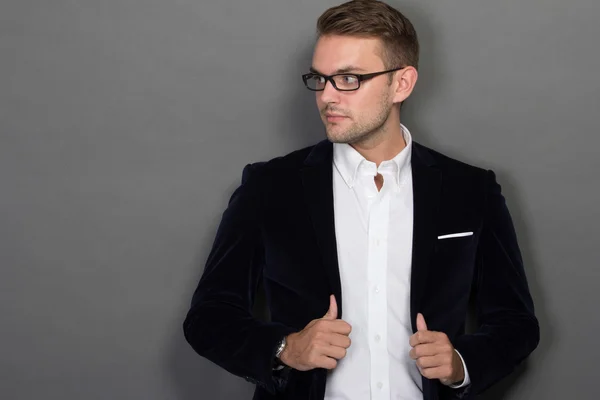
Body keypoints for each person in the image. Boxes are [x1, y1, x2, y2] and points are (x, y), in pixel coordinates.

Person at [183, 1, 539, 399]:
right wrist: (285, 348)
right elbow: (208, 317)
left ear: (401, 83)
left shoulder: (471, 190)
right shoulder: (268, 187)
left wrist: (461, 363)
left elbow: (515, 323)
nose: (327, 97)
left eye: (349, 79)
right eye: (320, 78)